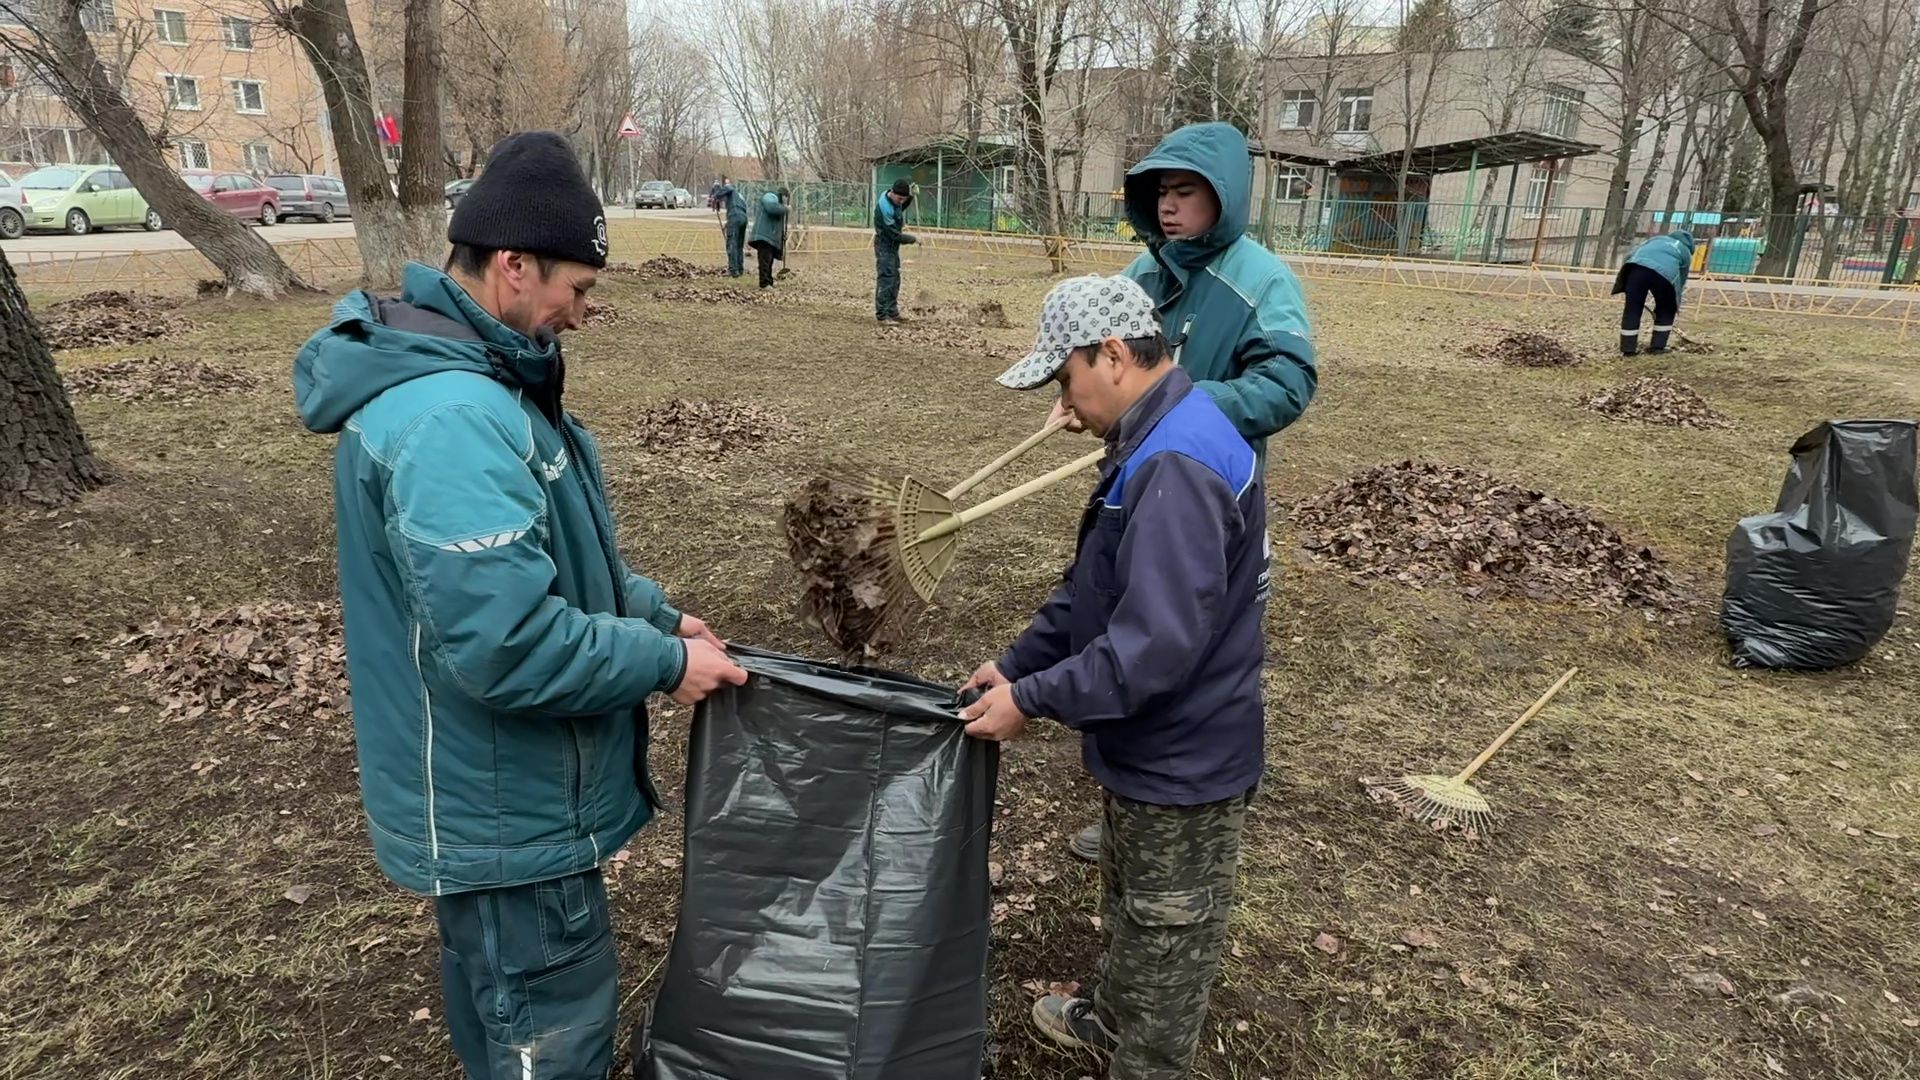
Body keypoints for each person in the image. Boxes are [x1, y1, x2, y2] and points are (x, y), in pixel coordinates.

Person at [292, 131, 748, 1080]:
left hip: (506, 805)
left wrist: (654, 615)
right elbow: (507, 641)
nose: (581, 316)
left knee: (509, 1025)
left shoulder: (484, 385)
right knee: (550, 1039)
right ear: (512, 266)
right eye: (575, 292)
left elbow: (544, 567)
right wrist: (665, 665)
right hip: (506, 821)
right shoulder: (454, 419)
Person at [961, 273, 1268, 1080]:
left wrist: (1029, 700)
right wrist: (1019, 662)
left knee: (1167, 935)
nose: (1063, 404)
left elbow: (1152, 646)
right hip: (1149, 745)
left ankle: (1144, 1059)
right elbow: (1096, 585)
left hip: (1185, 759)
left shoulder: (1177, 463)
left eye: (1066, 380)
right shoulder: (1151, 439)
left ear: (1112, 354)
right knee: (1134, 909)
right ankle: (1108, 1022)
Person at [1054, 119, 1316, 863]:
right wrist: (1082, 399)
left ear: (1224, 198)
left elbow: (1289, 383)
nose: (1169, 208)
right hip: (1133, 483)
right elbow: (1104, 364)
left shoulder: (1260, 278)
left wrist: (1185, 410)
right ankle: (1132, 813)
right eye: (1160, 193)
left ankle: (1193, 811)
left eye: (1186, 192)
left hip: (1209, 489)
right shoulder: (1145, 274)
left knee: (1194, 649)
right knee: (1119, 622)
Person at [1614, 229, 1695, 355]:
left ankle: (1628, 349)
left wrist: (1627, 279)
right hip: (1664, 275)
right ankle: (1658, 347)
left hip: (1634, 269)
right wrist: (1675, 299)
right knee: (1666, 309)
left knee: (1632, 309)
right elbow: (1681, 279)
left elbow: (1629, 256)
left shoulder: (1655, 240)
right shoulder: (1684, 250)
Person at [874, 177, 917, 322]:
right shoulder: (884, 207)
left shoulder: (896, 200)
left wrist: (911, 196)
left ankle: (892, 312)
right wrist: (912, 239)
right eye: (899, 199)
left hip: (892, 247)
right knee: (886, 279)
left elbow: (901, 206)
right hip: (884, 245)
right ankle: (882, 314)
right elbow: (893, 234)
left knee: (895, 279)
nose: (901, 202)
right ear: (892, 193)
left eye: (903, 199)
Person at [749, 187, 790, 288]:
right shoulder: (771, 196)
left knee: (769, 260)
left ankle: (769, 282)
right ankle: (764, 283)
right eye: (785, 198)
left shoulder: (778, 204)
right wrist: (786, 208)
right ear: (783, 195)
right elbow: (771, 208)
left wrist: (782, 235)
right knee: (765, 260)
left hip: (770, 237)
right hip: (764, 235)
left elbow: (776, 223)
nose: (786, 201)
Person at [714, 176, 749, 277]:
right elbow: (740, 211)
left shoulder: (730, 189)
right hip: (743, 219)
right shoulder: (739, 195)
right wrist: (728, 223)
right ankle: (739, 269)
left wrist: (716, 193)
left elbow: (727, 188)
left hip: (735, 218)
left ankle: (733, 270)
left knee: (732, 244)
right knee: (739, 245)